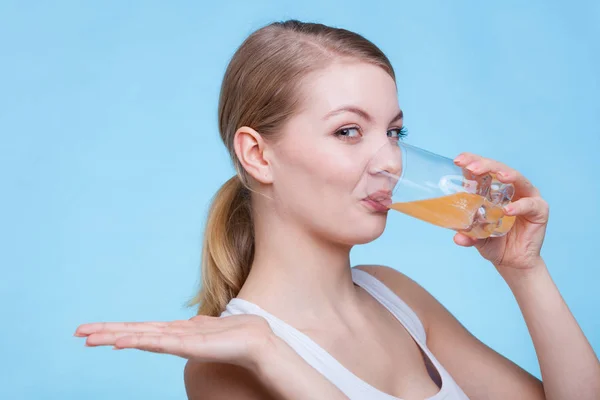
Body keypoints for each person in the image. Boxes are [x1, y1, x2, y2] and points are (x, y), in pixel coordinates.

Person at [74, 20, 600, 399]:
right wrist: (275, 356)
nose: (391, 161)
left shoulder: (395, 296)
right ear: (258, 154)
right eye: (348, 131)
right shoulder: (228, 366)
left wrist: (524, 270)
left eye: (394, 132)